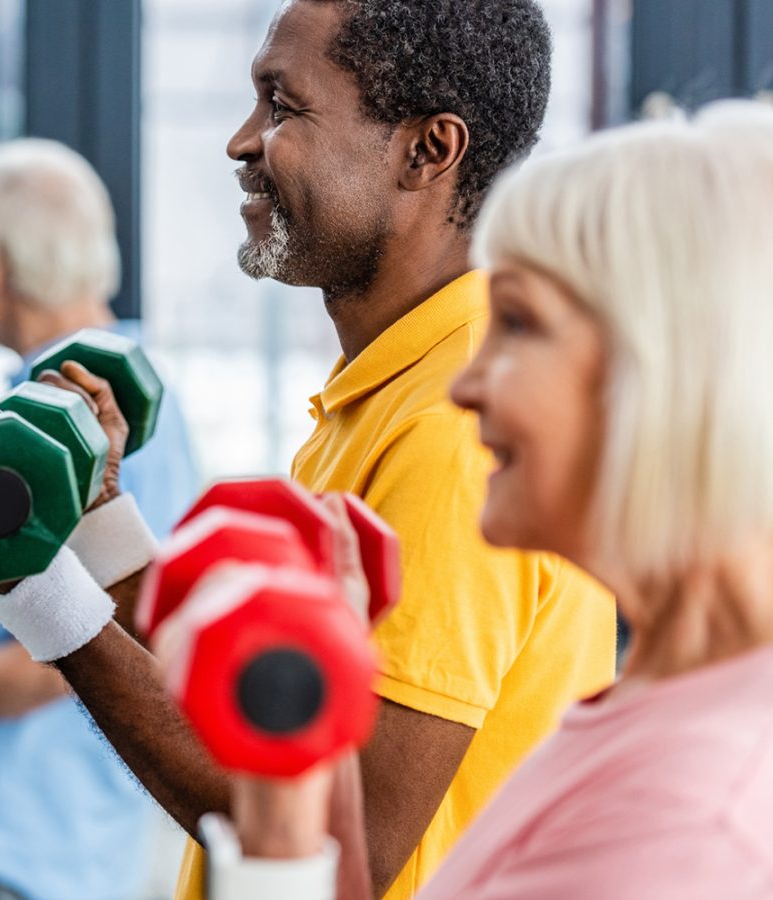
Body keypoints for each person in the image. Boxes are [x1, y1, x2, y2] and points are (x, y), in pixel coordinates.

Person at [0, 2, 615, 898]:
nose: (242, 142)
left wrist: (41, 592)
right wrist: (95, 517)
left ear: (427, 150)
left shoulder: (459, 425)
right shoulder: (388, 389)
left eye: (283, 107)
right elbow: (257, 712)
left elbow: (339, 841)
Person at [232, 100, 773, 897]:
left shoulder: (687, 822)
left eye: (517, 325)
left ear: (663, 378)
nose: (470, 381)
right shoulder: (658, 713)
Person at [0, 139, 199, 900]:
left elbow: (85, 637)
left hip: (23, 836)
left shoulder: (92, 411)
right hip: (10, 832)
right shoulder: (54, 405)